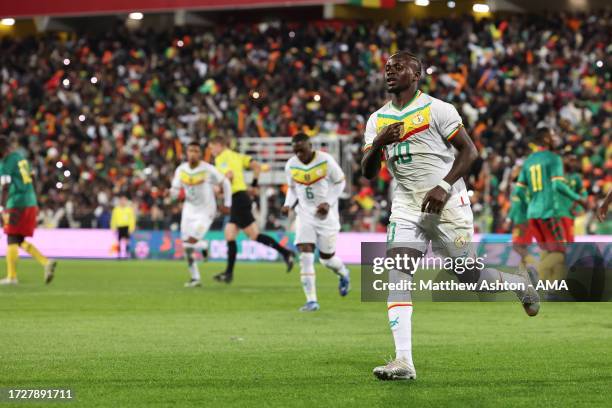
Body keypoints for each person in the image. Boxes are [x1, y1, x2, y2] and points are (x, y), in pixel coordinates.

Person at [360, 52, 540, 381]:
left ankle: (519, 284)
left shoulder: (437, 109)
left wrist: (443, 186)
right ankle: (404, 361)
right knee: (398, 272)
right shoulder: (376, 120)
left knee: (470, 277)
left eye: (398, 68)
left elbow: (471, 151)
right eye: (387, 68)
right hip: (406, 205)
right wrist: (377, 144)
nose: (390, 72)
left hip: (447, 203)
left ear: (416, 75)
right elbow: (368, 172)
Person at [208, 136, 295, 283]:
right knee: (229, 233)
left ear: (219, 145)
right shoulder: (237, 155)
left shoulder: (221, 158)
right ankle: (228, 273)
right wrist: (254, 185)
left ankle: (286, 253)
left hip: (237, 198)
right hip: (241, 197)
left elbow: (228, 176)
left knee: (254, 235)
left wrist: (220, 188)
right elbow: (256, 166)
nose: (211, 151)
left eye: (211, 147)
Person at [281, 133, 350, 312]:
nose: (299, 155)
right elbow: (293, 188)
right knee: (305, 256)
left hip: (326, 216)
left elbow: (340, 182)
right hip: (304, 214)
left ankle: (343, 272)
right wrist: (287, 204)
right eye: (296, 152)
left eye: (302, 151)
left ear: (310, 146)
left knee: (327, 260)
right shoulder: (291, 165)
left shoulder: (325, 160)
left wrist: (328, 201)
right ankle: (311, 301)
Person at [515, 128, 586, 287]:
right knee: (560, 253)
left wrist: (530, 205)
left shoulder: (529, 160)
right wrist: (579, 199)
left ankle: (547, 288)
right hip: (548, 212)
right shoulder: (554, 158)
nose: (556, 138)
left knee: (547, 251)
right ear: (546, 139)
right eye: (553, 135)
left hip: (532, 213)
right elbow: (558, 185)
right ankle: (533, 276)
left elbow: (519, 190)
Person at [170, 141, 231, 287]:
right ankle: (195, 278)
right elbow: (175, 190)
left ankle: (204, 245)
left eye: (196, 151)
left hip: (206, 210)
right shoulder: (181, 170)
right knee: (187, 247)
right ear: (187, 153)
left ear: (201, 154)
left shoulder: (208, 169)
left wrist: (228, 204)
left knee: (190, 242)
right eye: (190, 151)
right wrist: (172, 194)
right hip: (189, 210)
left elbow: (226, 183)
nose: (193, 154)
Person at [0, 136, 56, 285]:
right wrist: (33, 197)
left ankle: (12, 277)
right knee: (18, 239)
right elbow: (33, 177)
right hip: (30, 201)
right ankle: (45, 262)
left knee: (11, 237)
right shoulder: (20, 157)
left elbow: (5, 186)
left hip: (16, 203)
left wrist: (1, 207)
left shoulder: (5, 163)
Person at [110, 194, 136, 259]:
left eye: (124, 200)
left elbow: (132, 219)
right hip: (119, 227)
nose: (123, 201)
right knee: (119, 241)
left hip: (126, 227)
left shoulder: (129, 209)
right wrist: (113, 227)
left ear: (126, 201)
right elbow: (113, 219)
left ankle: (126, 255)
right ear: (120, 201)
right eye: (122, 200)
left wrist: (131, 228)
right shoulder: (116, 209)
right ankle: (119, 255)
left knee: (127, 241)